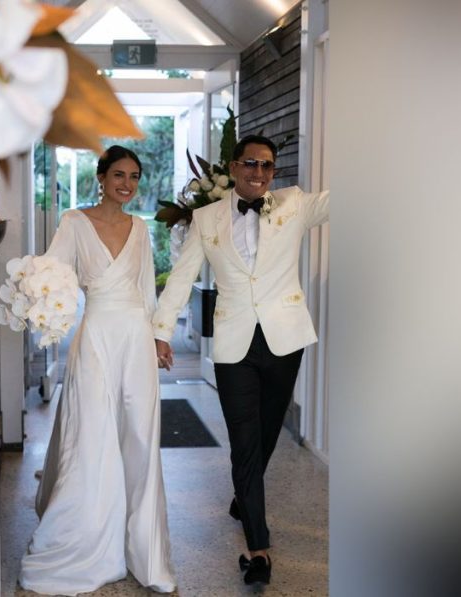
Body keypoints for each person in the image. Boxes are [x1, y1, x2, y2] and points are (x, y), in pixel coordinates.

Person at [153, 134, 329, 586]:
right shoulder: (207, 217)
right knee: (245, 441)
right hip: (234, 344)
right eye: (251, 163)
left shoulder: (293, 204)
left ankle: (242, 496)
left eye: (267, 166)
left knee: (267, 433)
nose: (259, 172)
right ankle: (259, 548)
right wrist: (161, 331)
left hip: (284, 340)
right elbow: (183, 275)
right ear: (234, 168)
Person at [19, 146, 176, 596]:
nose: (127, 184)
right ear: (101, 178)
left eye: (135, 177)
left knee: (142, 439)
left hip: (135, 337)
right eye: (119, 175)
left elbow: (146, 289)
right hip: (96, 339)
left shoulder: (140, 228)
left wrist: (158, 336)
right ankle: (85, 544)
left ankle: (146, 555)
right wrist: (42, 309)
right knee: (93, 436)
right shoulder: (73, 222)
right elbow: (52, 277)